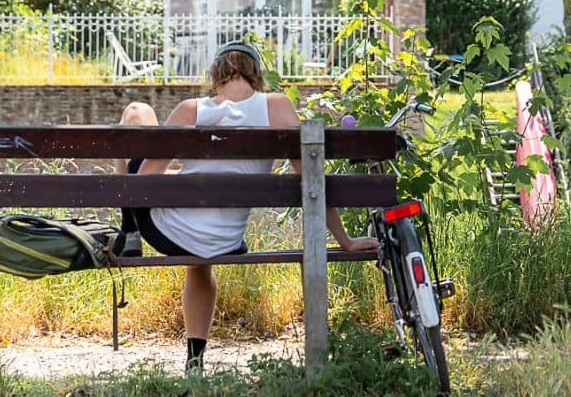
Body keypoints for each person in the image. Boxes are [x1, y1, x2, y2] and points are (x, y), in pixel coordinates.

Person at [116, 41, 377, 373]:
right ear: (256, 74)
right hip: (226, 240)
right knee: (201, 260)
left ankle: (130, 230)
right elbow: (312, 182)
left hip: (170, 233)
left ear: (216, 74)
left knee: (138, 112)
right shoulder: (278, 107)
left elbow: (143, 181)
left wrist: (180, 173)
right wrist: (345, 240)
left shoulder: (189, 109)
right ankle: (194, 357)